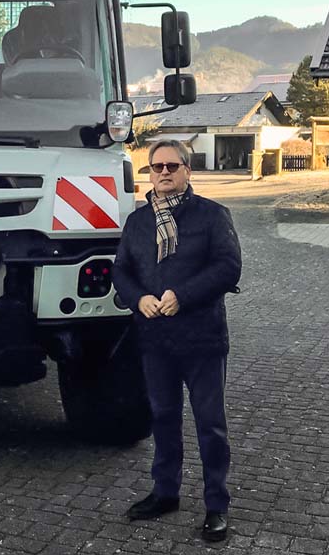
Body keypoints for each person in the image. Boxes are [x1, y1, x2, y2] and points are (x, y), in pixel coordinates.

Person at [112, 139, 242, 542]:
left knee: (210, 426)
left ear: (188, 170)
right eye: (156, 167)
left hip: (202, 340)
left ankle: (216, 506)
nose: (163, 173)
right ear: (149, 173)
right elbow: (121, 271)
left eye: (172, 165)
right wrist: (139, 299)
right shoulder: (137, 222)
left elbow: (228, 268)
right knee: (164, 420)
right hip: (155, 342)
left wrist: (182, 296)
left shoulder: (212, 216)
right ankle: (165, 493)